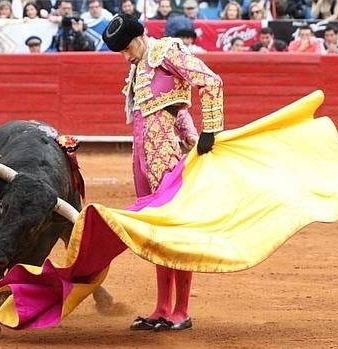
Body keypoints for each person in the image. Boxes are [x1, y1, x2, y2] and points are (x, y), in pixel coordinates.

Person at [102, 13, 224, 332]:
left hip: (166, 154)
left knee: (175, 229)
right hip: (143, 155)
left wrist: (208, 133)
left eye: (127, 48)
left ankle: (181, 310)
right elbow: (169, 109)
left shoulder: (167, 52)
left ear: (140, 37)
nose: (126, 56)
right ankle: (161, 307)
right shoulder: (138, 67)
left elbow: (211, 81)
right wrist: (192, 135)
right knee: (156, 229)